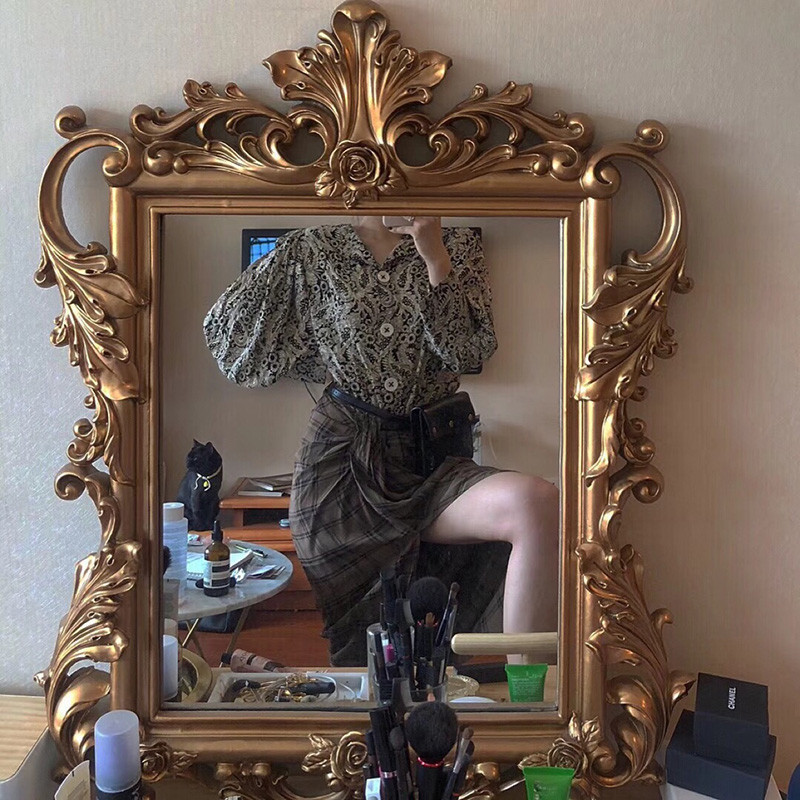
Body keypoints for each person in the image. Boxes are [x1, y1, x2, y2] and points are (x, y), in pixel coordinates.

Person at [203, 216, 558, 665]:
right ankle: (372, 696)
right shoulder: (312, 248)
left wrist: (436, 259)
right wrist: (313, 357)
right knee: (372, 648)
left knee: (537, 503)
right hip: (342, 463)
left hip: (433, 456)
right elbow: (229, 344)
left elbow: (468, 353)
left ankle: (531, 701)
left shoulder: (457, 245)